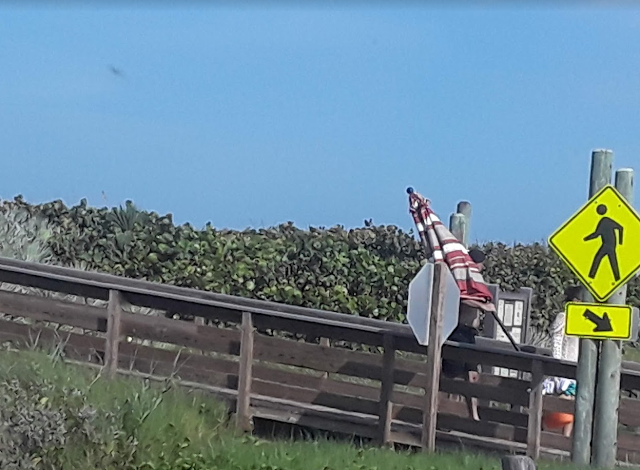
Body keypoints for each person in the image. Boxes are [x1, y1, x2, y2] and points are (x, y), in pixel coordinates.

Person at [541, 285, 581, 438]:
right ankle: (544, 435)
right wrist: (557, 365)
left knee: (573, 405)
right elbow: (556, 341)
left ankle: (565, 440)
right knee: (559, 404)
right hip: (563, 367)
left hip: (577, 368)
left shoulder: (584, 319)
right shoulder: (563, 317)